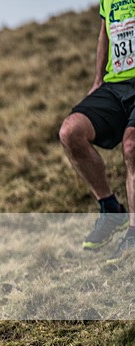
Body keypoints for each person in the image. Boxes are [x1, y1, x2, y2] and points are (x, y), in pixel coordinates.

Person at [60, 0, 135, 263]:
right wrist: (97, 80)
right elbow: (105, 31)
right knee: (71, 132)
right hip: (116, 85)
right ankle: (110, 207)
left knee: (131, 146)